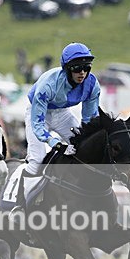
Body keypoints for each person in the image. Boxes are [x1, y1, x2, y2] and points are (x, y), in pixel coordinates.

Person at [23, 42, 100, 176]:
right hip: (39, 115)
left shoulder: (92, 85)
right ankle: (19, 195)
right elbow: (38, 125)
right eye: (77, 68)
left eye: (86, 67)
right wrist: (57, 144)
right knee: (37, 160)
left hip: (62, 114)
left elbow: (89, 121)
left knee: (84, 148)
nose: (82, 73)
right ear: (67, 69)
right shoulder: (48, 85)